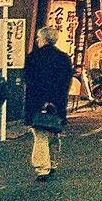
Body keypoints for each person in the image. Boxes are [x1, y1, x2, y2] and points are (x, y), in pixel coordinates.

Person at [23, 25, 72, 181]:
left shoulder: (33, 57)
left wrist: (41, 101)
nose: (37, 40)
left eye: (38, 38)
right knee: (53, 133)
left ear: (43, 39)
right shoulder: (64, 58)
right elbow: (66, 82)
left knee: (41, 136)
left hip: (37, 103)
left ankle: (43, 168)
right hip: (58, 102)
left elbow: (30, 81)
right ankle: (53, 162)